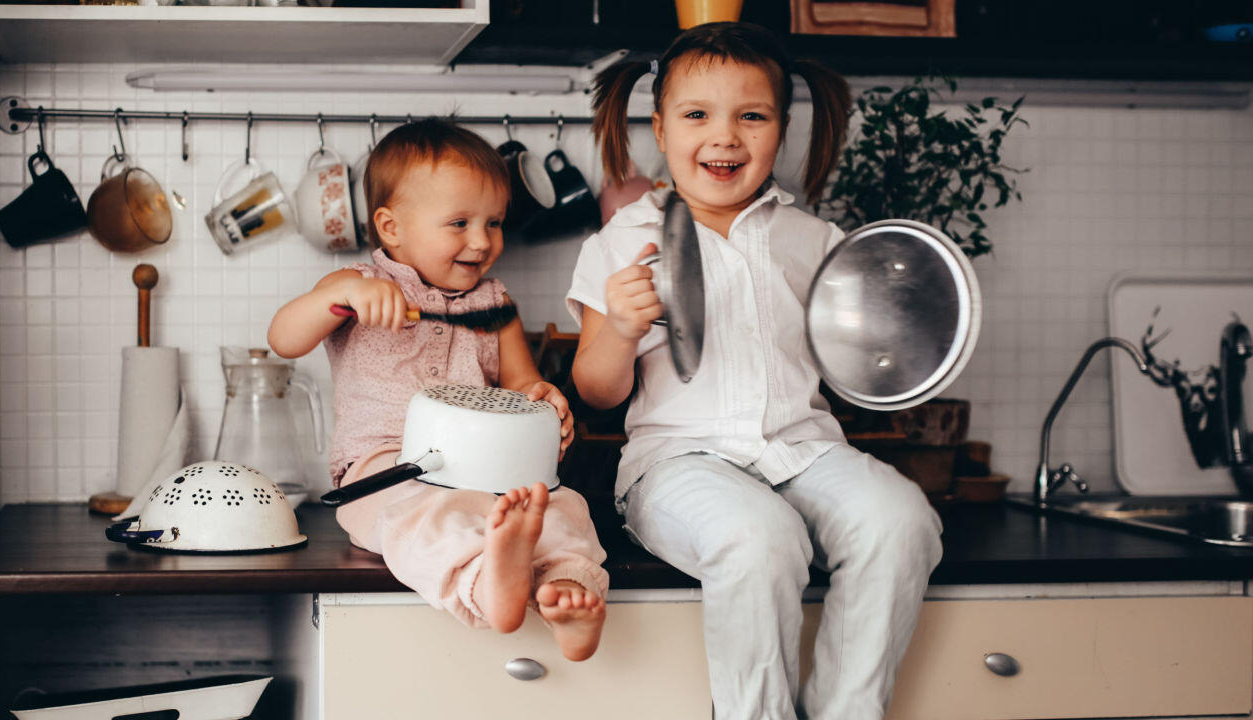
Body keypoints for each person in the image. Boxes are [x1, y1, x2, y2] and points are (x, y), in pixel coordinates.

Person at [566, 22, 943, 717]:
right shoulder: (623, 242)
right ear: (661, 126)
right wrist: (620, 329)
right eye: (698, 115)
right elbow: (595, 390)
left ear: (782, 127)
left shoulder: (816, 241)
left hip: (803, 451)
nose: (725, 136)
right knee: (759, 536)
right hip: (678, 465)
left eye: (752, 115)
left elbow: (860, 357)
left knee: (901, 521)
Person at [269, 118, 608, 662]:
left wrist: (544, 400)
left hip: (491, 474)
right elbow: (283, 338)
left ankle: (567, 593)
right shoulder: (357, 286)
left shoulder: (495, 306)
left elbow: (521, 384)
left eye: (494, 222)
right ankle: (486, 582)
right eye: (460, 223)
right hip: (385, 472)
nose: (483, 241)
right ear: (391, 227)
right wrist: (346, 298)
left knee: (561, 505)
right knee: (423, 517)